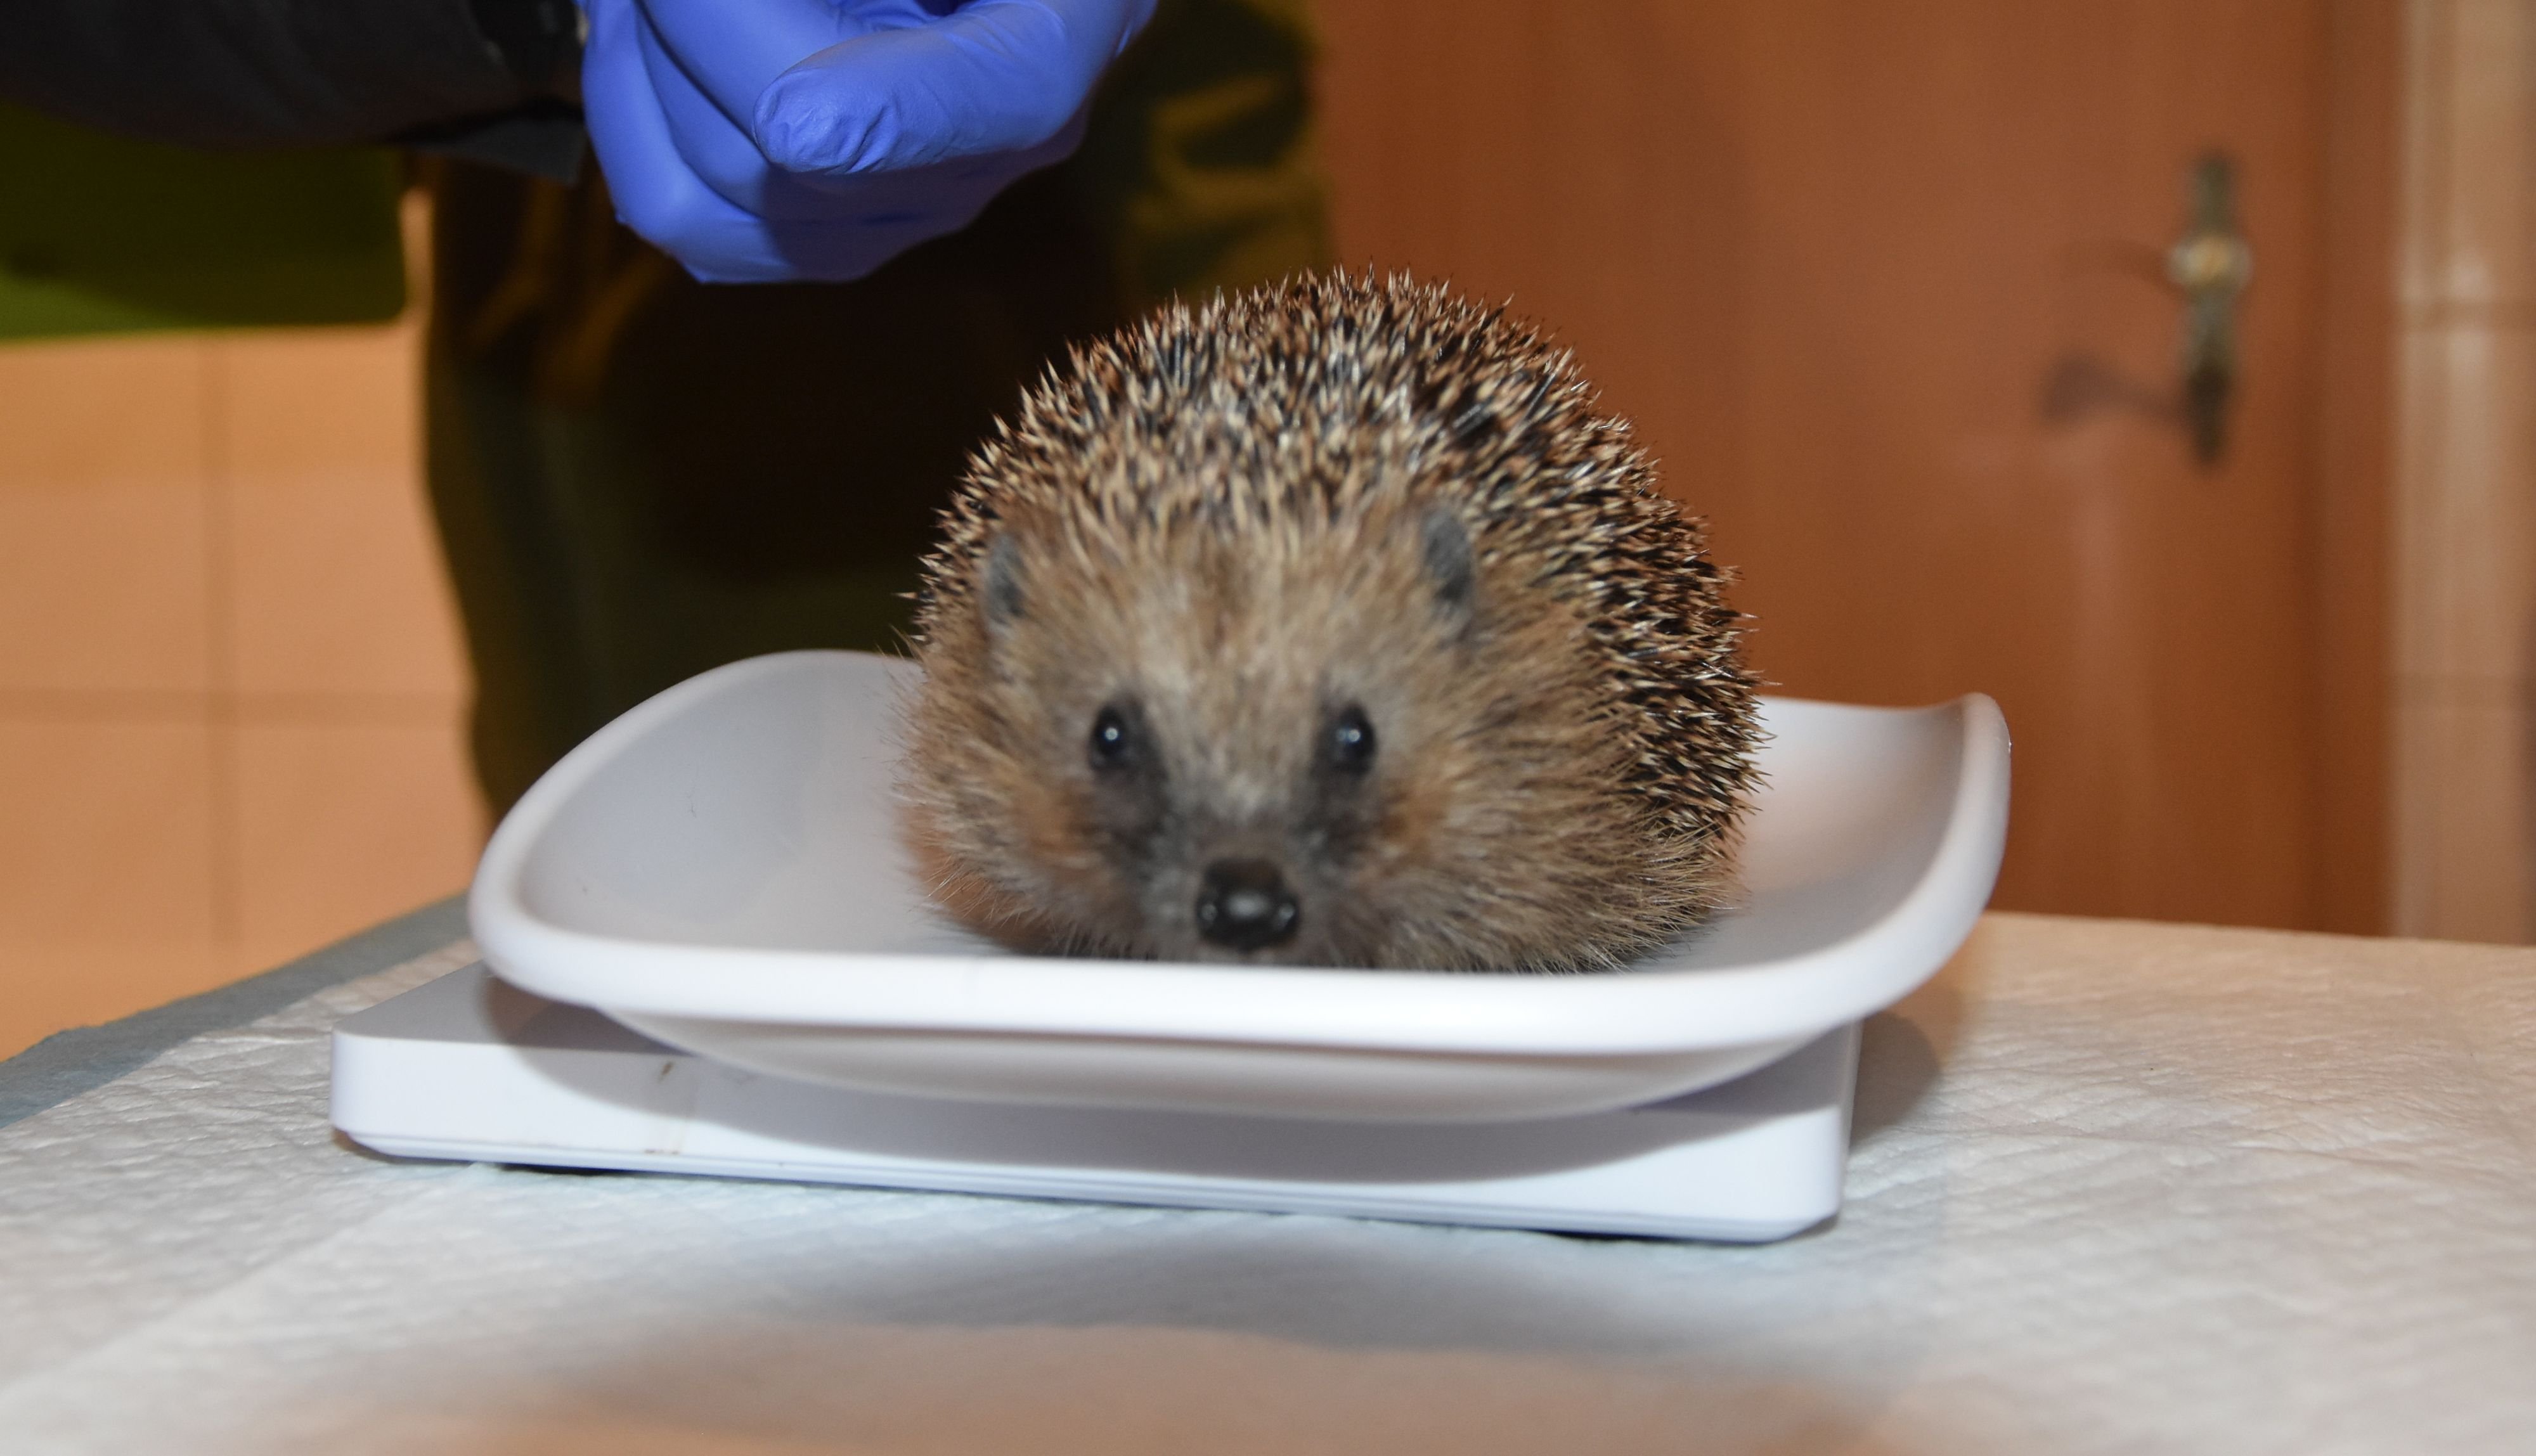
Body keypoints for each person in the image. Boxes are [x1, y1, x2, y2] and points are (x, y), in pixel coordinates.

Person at [1, 0, 1328, 808]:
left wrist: (1263, 474)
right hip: (534, 323)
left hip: (929, 368)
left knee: (883, 853)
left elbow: (1216, 118)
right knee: (580, 818)